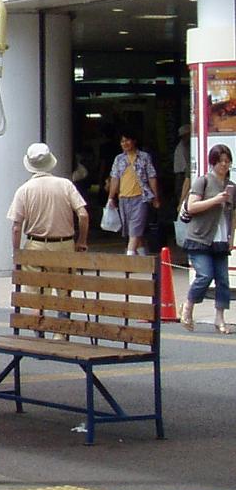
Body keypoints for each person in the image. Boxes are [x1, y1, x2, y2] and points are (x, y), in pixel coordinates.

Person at [8, 142, 89, 340]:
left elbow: (17, 226)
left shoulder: (24, 190)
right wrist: (81, 241)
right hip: (64, 245)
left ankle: (39, 329)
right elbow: (84, 215)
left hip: (34, 245)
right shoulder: (65, 185)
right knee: (63, 291)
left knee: (36, 294)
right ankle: (60, 334)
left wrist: (17, 252)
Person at [178, 143, 234, 333]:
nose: (224, 165)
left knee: (223, 280)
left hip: (220, 239)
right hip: (200, 237)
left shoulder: (232, 186)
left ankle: (220, 319)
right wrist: (216, 200)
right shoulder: (203, 181)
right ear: (213, 163)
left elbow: (232, 214)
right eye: (220, 161)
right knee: (204, 275)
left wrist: (231, 238)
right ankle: (188, 306)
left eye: (227, 161)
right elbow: (192, 207)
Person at [106, 129, 159, 256]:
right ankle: (143, 259)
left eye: (127, 140)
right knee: (133, 231)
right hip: (124, 199)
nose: (125, 143)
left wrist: (156, 197)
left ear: (134, 141)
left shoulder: (144, 157)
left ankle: (129, 257)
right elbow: (114, 179)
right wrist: (110, 198)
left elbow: (152, 177)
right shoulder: (118, 159)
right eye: (122, 141)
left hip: (141, 198)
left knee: (135, 229)